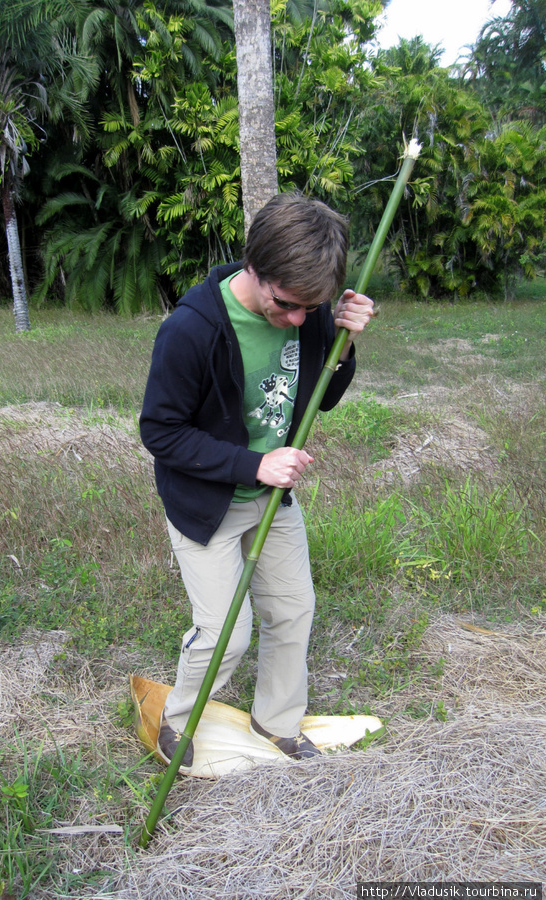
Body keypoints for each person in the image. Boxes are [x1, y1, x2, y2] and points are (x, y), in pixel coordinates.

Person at [139, 191, 375, 771]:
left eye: (311, 307)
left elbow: (326, 397)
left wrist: (344, 345)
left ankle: (278, 721)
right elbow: (160, 432)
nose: (298, 319)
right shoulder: (190, 330)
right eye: (288, 305)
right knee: (225, 632)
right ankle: (178, 719)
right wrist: (255, 465)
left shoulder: (311, 309)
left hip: (272, 500)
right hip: (206, 503)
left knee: (294, 610)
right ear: (255, 268)